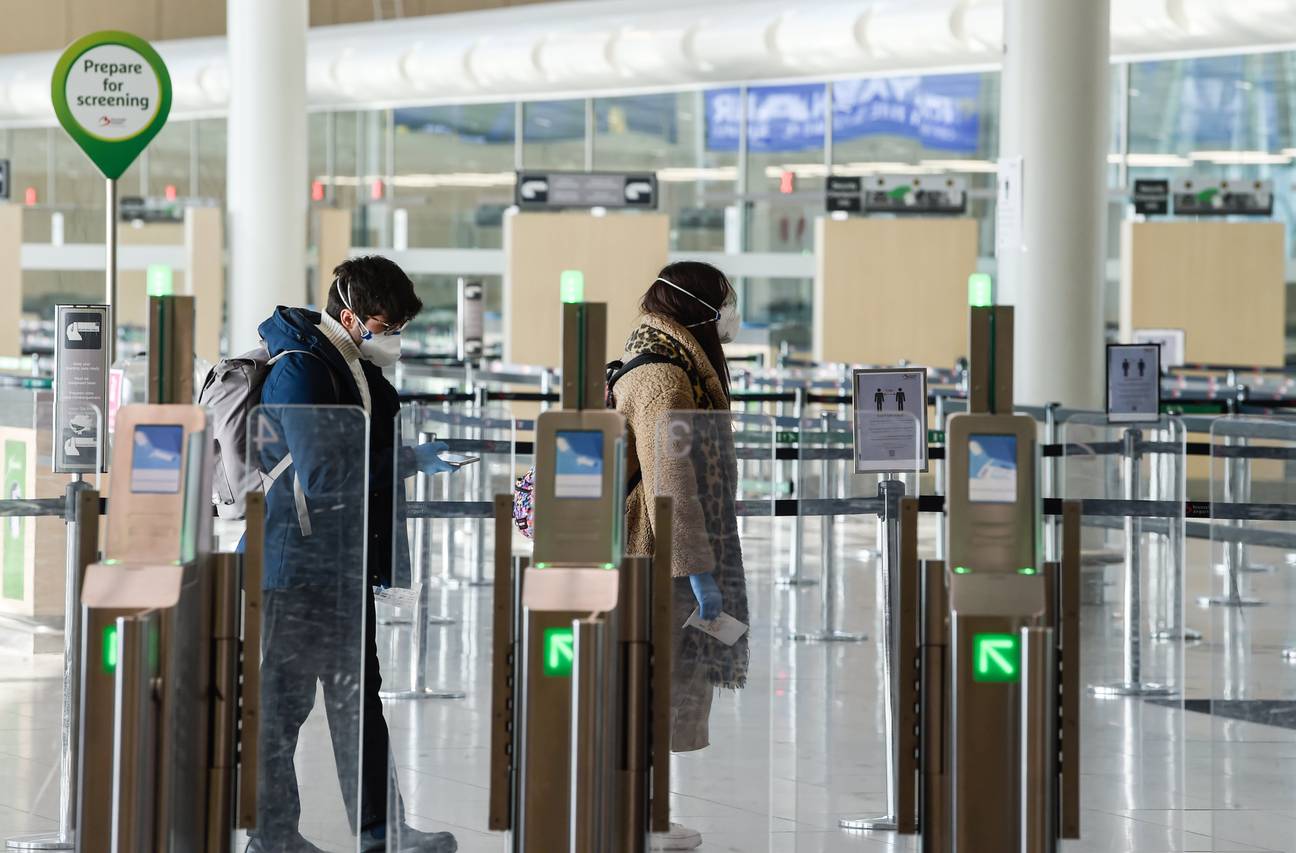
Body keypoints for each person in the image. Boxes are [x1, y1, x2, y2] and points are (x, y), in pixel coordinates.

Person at [249, 256, 458, 853]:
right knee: (283, 709)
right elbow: (322, 474)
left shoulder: (351, 365)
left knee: (359, 703)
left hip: (337, 563)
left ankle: (381, 830)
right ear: (350, 315)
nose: (393, 338)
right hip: (295, 567)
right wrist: (408, 462)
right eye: (385, 324)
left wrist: (403, 456)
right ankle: (270, 836)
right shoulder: (302, 369)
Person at [612, 261, 750, 851]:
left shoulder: (671, 364)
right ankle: (642, 815)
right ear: (697, 306)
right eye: (725, 301)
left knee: (656, 686)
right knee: (653, 686)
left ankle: (647, 811)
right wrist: (698, 570)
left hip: (664, 552)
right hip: (658, 556)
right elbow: (672, 484)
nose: (732, 315)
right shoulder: (665, 377)